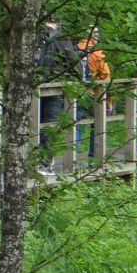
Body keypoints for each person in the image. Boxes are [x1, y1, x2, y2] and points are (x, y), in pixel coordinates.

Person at [34, 20, 81, 174]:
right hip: (51, 88)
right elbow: (75, 64)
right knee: (47, 125)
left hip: (38, 88)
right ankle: (43, 164)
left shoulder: (34, 37)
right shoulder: (61, 39)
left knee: (40, 125)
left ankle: (40, 163)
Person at [77, 28, 111, 159]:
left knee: (75, 124)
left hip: (76, 94)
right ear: (95, 37)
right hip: (94, 94)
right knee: (97, 125)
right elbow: (106, 77)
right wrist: (109, 100)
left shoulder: (73, 50)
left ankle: (70, 157)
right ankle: (94, 158)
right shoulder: (98, 54)